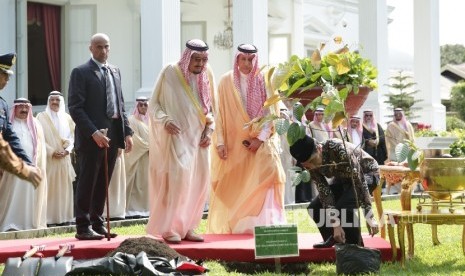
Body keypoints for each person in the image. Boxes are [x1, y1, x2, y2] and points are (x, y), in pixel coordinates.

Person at [208, 44, 286, 234]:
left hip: (263, 142)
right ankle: (241, 226)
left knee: (268, 176)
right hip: (236, 145)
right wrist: (219, 142)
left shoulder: (263, 80)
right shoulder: (226, 81)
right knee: (237, 185)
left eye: (250, 59)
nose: (246, 64)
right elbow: (219, 114)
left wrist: (260, 139)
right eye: (242, 59)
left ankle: (266, 225)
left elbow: (271, 113)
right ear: (237, 60)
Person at [146, 39, 215, 243]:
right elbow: (154, 104)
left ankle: (188, 227)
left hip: (200, 141)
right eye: (196, 59)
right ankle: (169, 228)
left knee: (199, 183)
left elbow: (211, 108)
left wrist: (210, 130)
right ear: (187, 57)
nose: (200, 64)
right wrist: (164, 120)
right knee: (177, 183)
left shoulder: (206, 75)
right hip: (176, 139)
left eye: (203, 60)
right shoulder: (170, 73)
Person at [68, 33, 133, 240]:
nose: (103, 51)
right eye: (98, 47)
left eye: (106, 47)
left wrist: (127, 131)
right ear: (91, 49)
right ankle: (83, 226)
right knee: (88, 181)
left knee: (103, 182)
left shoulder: (115, 71)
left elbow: (120, 105)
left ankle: (97, 223)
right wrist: (94, 132)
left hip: (113, 134)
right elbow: (75, 108)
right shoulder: (81, 72)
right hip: (91, 137)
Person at [289, 135, 379, 248]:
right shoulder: (310, 165)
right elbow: (324, 193)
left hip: (367, 174)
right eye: (307, 165)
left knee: (343, 207)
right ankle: (335, 237)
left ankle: (355, 248)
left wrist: (369, 215)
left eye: (312, 161)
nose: (312, 167)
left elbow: (360, 181)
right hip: (343, 179)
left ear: (319, 148)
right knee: (315, 207)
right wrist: (335, 225)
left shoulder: (339, 149)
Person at [0, 98, 47, 231]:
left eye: (26, 107)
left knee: (28, 196)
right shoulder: (9, 123)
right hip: (11, 170)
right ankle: (7, 224)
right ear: (15, 108)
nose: (24, 109)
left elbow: (41, 149)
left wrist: (33, 165)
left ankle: (25, 224)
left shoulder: (35, 125)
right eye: (20, 107)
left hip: (29, 168)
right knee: (9, 196)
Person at [0, 53, 41, 186]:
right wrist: (24, 170)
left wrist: (28, 163)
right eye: (5, 75)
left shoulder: (3, 105)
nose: (8, 80)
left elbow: (10, 136)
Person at [36, 91, 76, 226]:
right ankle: (49, 219)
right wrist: (52, 151)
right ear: (48, 101)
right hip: (49, 160)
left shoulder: (68, 118)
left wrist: (67, 150)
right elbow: (39, 139)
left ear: (61, 102)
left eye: (57, 100)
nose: (54, 102)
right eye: (52, 100)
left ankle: (65, 218)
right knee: (50, 189)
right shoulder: (41, 117)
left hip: (64, 159)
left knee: (65, 190)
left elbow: (73, 138)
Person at [125, 96, 150, 218]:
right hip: (137, 159)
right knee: (136, 184)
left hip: (148, 159)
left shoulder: (148, 122)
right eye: (141, 105)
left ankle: (145, 209)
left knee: (146, 184)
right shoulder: (131, 120)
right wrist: (149, 147)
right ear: (137, 106)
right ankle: (133, 210)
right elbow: (135, 139)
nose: (144, 107)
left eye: (146, 105)